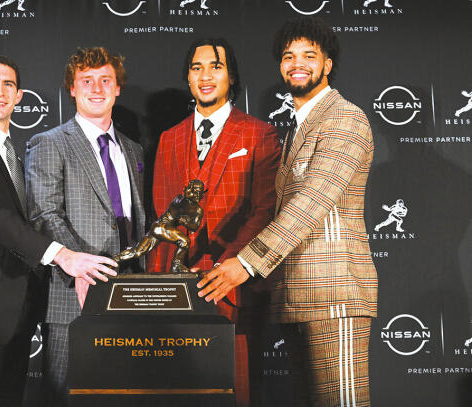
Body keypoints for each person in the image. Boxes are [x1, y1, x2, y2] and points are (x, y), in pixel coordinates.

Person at [197, 18, 378, 407]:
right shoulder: (298, 127)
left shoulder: (343, 118)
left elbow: (309, 205)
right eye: (289, 56)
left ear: (327, 64)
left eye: (309, 56)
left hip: (334, 298)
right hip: (295, 296)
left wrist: (245, 263)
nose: (298, 64)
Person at [0, 52, 116, 407]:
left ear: (19, 96)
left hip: (17, 313)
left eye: (8, 84)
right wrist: (63, 255)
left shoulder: (12, 154)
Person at [148, 38, 280, 406]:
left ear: (231, 75)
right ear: (188, 79)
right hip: (177, 292)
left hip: (234, 288)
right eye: (196, 68)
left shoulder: (259, 134)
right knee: (176, 394)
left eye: (215, 66)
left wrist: (232, 265)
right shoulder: (169, 139)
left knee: (234, 393)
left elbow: (265, 210)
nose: (205, 76)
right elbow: (163, 209)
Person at [25, 46, 145, 406]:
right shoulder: (49, 142)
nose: (97, 88)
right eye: (86, 81)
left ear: (118, 88)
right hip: (71, 294)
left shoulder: (134, 149)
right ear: (72, 89)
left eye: (105, 80)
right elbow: (43, 213)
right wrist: (76, 262)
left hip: (131, 292)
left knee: (124, 393)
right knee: (67, 394)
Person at [113, 179, 205, 273]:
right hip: (161, 226)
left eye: (200, 192)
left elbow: (194, 227)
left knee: (138, 252)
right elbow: (181, 204)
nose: (197, 195)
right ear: (189, 190)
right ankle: (176, 265)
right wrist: (184, 220)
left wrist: (185, 222)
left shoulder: (198, 210)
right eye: (195, 191)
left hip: (159, 229)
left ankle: (114, 260)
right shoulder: (180, 199)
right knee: (184, 241)